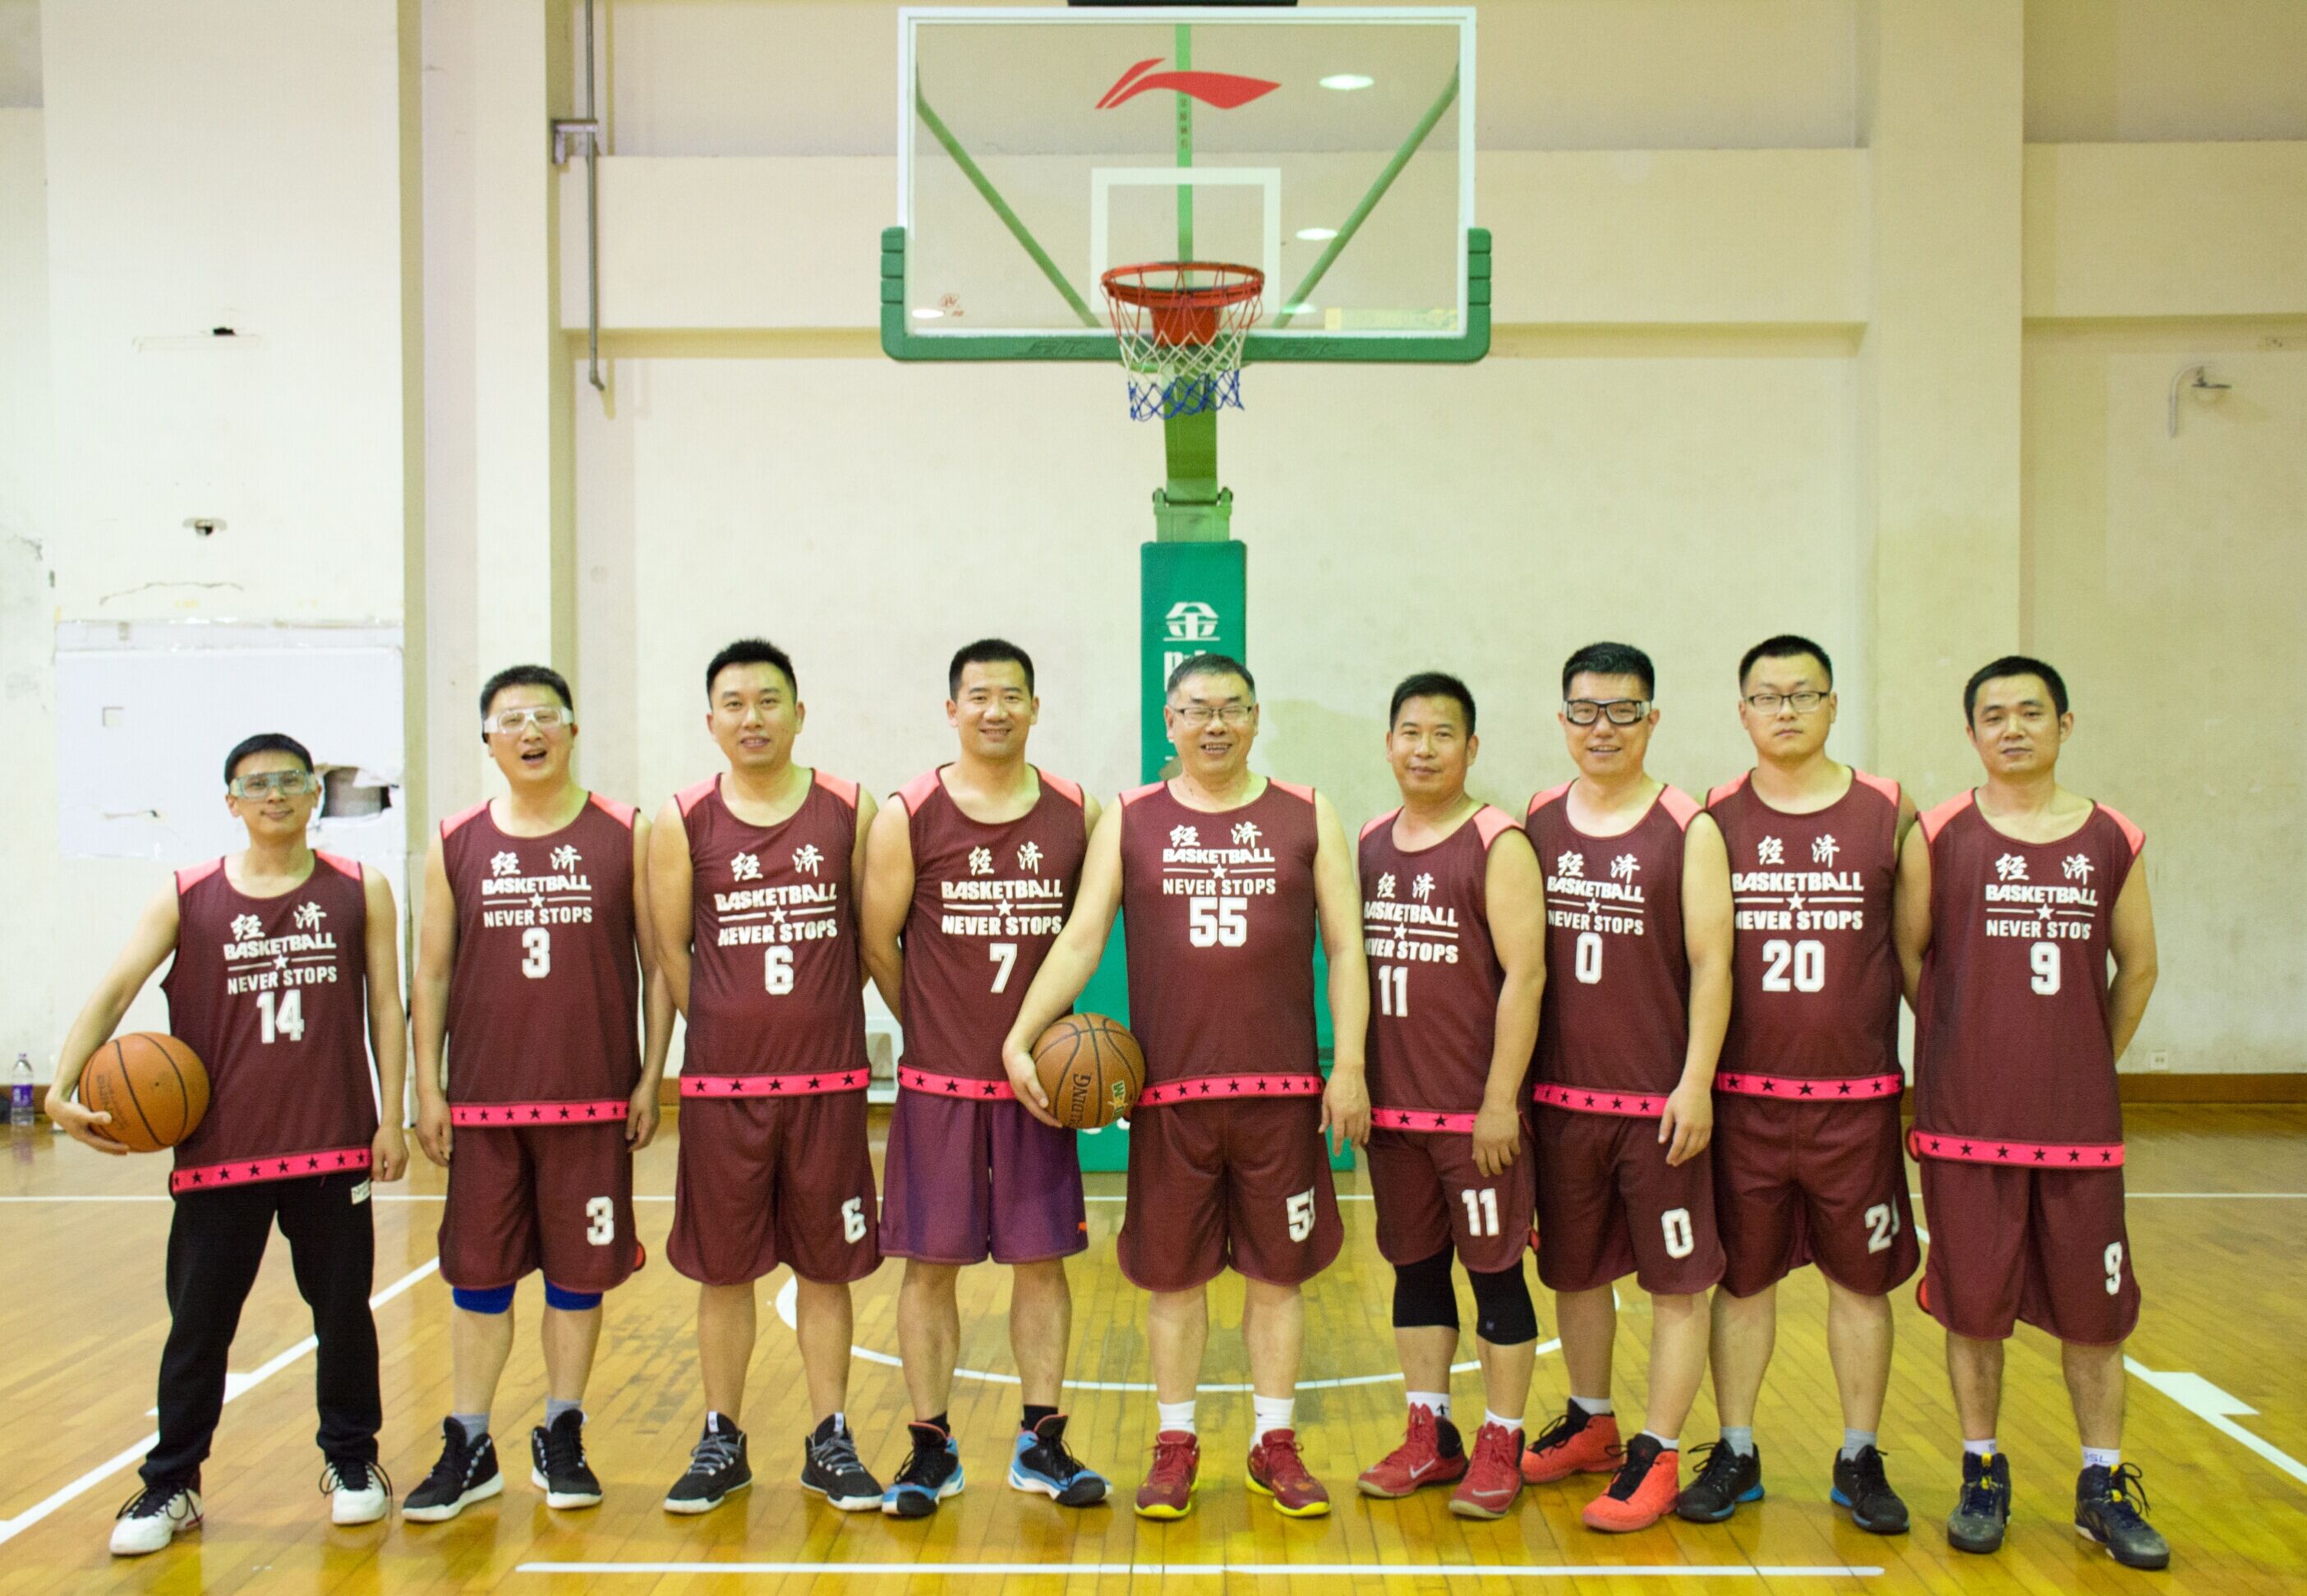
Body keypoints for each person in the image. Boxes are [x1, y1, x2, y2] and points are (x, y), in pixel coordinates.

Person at [1001, 654, 1371, 1520]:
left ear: (1256, 718)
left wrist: (1349, 1063)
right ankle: (1176, 1441)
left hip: (1282, 1092)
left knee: (1278, 1278)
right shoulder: (1131, 816)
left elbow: (1348, 945)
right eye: (1197, 709)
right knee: (1173, 1282)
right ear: (1169, 722)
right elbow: (1081, 937)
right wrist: (1021, 1034)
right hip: (1169, 1097)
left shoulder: (1308, 810)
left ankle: (1274, 1440)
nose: (1216, 724)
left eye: (1232, 708)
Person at [48, 733, 408, 1555]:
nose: (274, 794)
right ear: (231, 801)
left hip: (331, 1144)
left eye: (290, 780)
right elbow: (116, 988)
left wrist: (393, 1116)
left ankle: (353, 1460)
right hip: (220, 1152)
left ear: (314, 793)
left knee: (343, 1315)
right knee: (199, 1326)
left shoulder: (361, 887)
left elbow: (387, 1006)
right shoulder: (187, 895)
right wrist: (60, 1089)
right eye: (256, 783)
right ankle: (172, 1480)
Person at [1895, 655, 2167, 1570]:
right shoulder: (1939, 833)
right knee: (1974, 1311)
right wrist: (1958, 1046)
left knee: (2096, 1317)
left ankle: (2102, 1483)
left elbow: (2140, 966)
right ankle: (1981, 1470)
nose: (2012, 728)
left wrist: (2085, 1056)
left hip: (2079, 1127)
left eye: (2031, 712)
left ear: (2065, 723)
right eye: (1994, 714)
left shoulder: (2114, 836)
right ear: (1972, 731)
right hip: (1965, 1122)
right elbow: (1911, 957)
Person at [404, 665, 670, 1521]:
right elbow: (431, 971)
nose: (530, 731)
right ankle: (470, 1439)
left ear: (573, 730)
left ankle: (563, 1428)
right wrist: (427, 1088)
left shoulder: (626, 830)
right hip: (484, 1105)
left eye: (545, 716)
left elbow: (659, 963)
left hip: (590, 1101)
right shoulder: (453, 840)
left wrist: (651, 1073)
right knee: (479, 1279)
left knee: (577, 1279)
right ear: (487, 740)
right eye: (510, 719)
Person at [859, 639, 1109, 1516]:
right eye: (978, 695)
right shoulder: (909, 814)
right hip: (939, 1089)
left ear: (1036, 707)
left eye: (1012, 695)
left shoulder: (1078, 811)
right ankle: (931, 1447)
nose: (995, 710)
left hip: (1039, 1088)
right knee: (929, 1268)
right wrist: (932, 1028)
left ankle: (1042, 1443)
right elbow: (876, 940)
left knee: (1043, 1264)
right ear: (951, 709)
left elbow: (1087, 933)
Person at [1680, 635, 1918, 1534]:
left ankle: (1860, 1454)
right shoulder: (1713, 816)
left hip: (1855, 1102)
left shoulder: (1890, 811)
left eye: (1803, 693)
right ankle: (1736, 1447)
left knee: (1861, 1284)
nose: (1785, 709)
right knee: (1742, 1281)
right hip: (1745, 1098)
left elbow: (1917, 956)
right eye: (1767, 696)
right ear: (1742, 711)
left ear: (1832, 705)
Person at [652, 638, 884, 1515]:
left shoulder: (850, 808)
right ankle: (721, 1437)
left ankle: (831, 1438)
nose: (753, 717)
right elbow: (672, 950)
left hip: (828, 1085)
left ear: (798, 712)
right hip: (723, 1091)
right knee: (724, 1272)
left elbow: (868, 937)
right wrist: (726, 1025)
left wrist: (816, 1014)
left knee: (826, 1270)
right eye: (735, 703)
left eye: (769, 700)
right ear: (711, 720)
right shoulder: (683, 819)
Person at [1519, 641, 1733, 1533]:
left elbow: (1713, 962)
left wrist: (1696, 1081)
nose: (1601, 727)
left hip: (1657, 1105)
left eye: (1621, 710)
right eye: (1585, 710)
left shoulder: (1689, 825)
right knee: (1574, 1272)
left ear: (1652, 717)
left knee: (1676, 1285)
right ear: (1562, 717)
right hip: (1563, 1102)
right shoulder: (1537, 818)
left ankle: (1661, 1449)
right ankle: (1593, 1420)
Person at [1352, 674, 1546, 1520]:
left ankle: (1503, 1438)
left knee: (1496, 1276)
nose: (1423, 748)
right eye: (1409, 731)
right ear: (1389, 742)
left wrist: (1501, 1099)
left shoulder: (1498, 842)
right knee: (1416, 1272)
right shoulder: (1368, 841)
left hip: (1474, 1115)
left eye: (1442, 734)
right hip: (1394, 1112)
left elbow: (1526, 975)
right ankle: (1431, 1433)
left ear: (1471, 747)